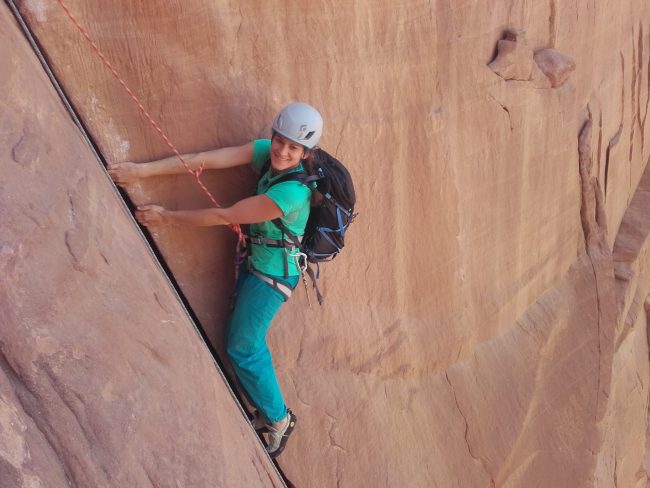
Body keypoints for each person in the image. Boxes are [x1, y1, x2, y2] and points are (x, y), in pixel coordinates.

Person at [108, 102, 323, 458]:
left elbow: (226, 215)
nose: (283, 151)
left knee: (244, 347)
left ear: (306, 153)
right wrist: (140, 171)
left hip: (273, 277)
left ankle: (279, 420)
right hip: (258, 263)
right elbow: (202, 160)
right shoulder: (265, 153)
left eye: (293, 148)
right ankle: (271, 414)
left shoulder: (291, 193)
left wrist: (167, 217)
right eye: (280, 141)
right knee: (241, 342)